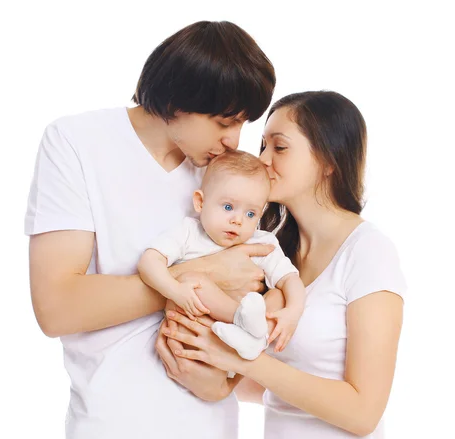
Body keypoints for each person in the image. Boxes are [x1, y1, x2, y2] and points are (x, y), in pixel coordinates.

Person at [25, 21, 275, 439]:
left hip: (214, 427)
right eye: (223, 121)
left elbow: (256, 312)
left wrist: (226, 385)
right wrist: (205, 274)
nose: (235, 140)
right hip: (111, 425)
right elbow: (57, 307)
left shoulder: (226, 178)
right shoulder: (77, 143)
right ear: (179, 99)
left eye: (243, 124)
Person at [159, 91, 407, 438]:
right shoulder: (269, 254)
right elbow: (260, 385)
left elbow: (364, 413)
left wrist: (242, 360)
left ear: (328, 161)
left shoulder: (368, 252)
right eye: (262, 146)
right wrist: (206, 368)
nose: (262, 160)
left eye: (280, 147)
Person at [138, 150, 306, 360]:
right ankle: (244, 324)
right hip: (197, 334)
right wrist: (176, 290)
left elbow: (291, 279)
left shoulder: (261, 242)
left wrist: (293, 312)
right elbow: (149, 261)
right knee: (192, 281)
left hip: (236, 352)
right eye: (228, 207)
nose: (238, 220)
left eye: (250, 214)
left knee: (279, 295)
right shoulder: (189, 232)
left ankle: (254, 340)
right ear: (200, 202)